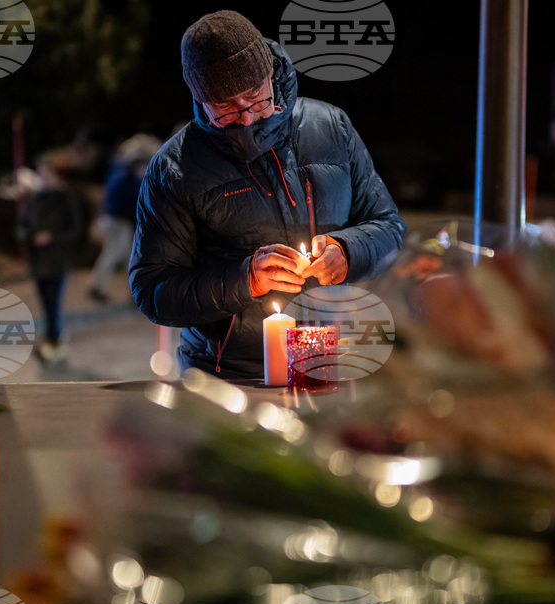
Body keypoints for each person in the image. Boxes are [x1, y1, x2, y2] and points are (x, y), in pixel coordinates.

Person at [129, 10, 406, 380]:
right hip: (229, 376)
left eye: (254, 96)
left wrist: (349, 251)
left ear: (270, 75)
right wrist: (245, 280)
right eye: (225, 106)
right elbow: (153, 291)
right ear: (199, 98)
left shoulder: (331, 127)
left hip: (337, 362)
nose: (246, 118)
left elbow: (390, 228)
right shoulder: (175, 169)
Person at [16, 152, 84, 363]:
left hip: (58, 261)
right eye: (42, 175)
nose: (45, 180)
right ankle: (53, 339)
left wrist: (51, 238)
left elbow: (75, 230)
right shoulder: (35, 200)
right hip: (38, 262)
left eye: (48, 175)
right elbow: (21, 227)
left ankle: (54, 342)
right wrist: (29, 236)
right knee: (45, 303)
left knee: (54, 303)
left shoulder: (66, 200)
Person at [87, 134, 161, 302]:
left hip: (117, 220)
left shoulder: (118, 171)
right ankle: (97, 287)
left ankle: (130, 291)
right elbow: (132, 201)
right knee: (116, 253)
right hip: (118, 220)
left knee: (127, 255)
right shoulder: (125, 177)